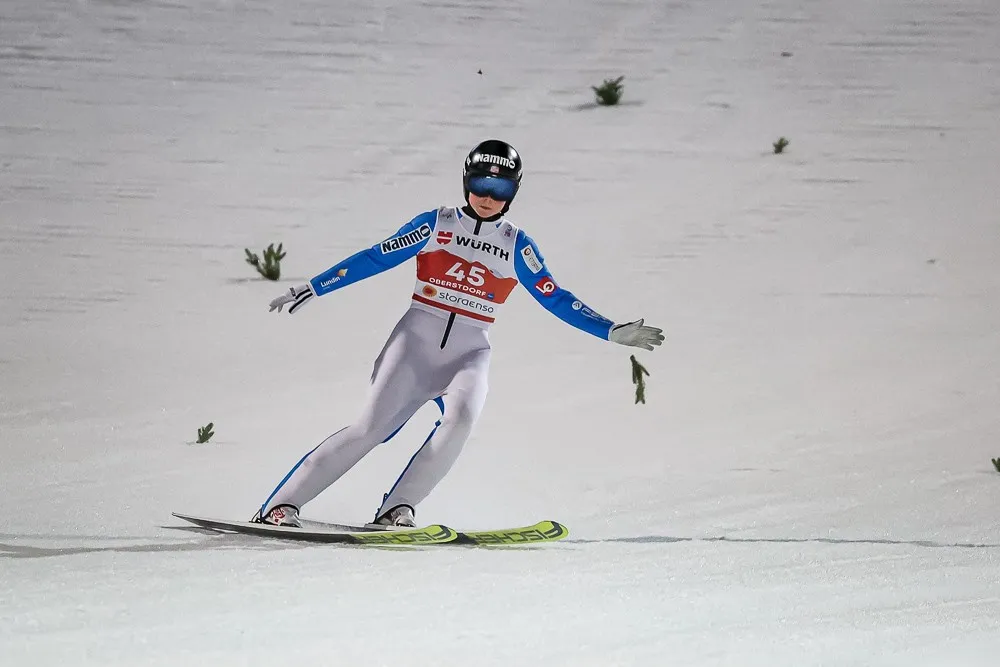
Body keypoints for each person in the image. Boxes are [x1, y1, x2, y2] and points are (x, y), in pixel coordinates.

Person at [254, 140, 664, 528]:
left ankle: (398, 508)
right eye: (480, 185)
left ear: (514, 192)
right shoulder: (437, 224)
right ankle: (280, 506)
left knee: (461, 420)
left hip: (470, 350)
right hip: (414, 342)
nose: (487, 197)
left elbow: (554, 296)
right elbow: (376, 258)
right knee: (370, 429)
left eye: (500, 190)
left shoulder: (516, 244)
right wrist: (316, 286)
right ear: (466, 181)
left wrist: (609, 330)